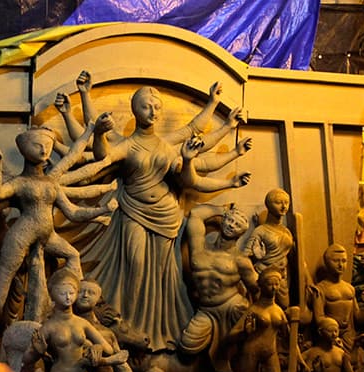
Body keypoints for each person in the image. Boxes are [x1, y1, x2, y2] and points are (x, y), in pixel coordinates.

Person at [82, 79, 251, 350]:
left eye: (157, 107)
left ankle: (154, 330)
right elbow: (104, 155)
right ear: (135, 110)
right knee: (135, 265)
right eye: (146, 107)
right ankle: (129, 326)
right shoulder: (128, 145)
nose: (153, 111)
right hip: (134, 212)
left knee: (162, 273)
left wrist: (217, 110)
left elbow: (196, 161)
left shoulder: (167, 145)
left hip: (167, 216)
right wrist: (94, 118)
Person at [0, 123, 114, 314]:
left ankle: (73, 309)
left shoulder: (51, 184)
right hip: (22, 235)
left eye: (48, 144)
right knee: (5, 275)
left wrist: (102, 209)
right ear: (24, 149)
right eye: (37, 144)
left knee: (73, 255)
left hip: (48, 236)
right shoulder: (20, 182)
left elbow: (73, 212)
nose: (44, 149)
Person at [179, 203, 258, 372]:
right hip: (205, 310)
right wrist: (222, 210)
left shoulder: (241, 260)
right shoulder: (199, 248)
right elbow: (195, 214)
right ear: (222, 222)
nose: (231, 225)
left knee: (237, 349)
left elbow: (257, 288)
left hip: (231, 306)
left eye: (237, 225)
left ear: (242, 232)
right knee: (188, 346)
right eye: (229, 220)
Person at [232, 268, 289, 372]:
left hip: (271, 351)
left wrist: (300, 360)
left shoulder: (279, 311)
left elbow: (289, 336)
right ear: (262, 285)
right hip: (251, 350)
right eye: (270, 284)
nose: (274, 288)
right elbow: (231, 335)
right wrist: (245, 332)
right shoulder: (254, 310)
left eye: (277, 284)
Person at [245, 188, 296, 309]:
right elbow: (245, 256)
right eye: (278, 202)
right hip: (264, 276)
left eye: (286, 203)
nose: (284, 206)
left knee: (284, 305)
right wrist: (252, 277)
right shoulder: (261, 231)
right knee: (263, 309)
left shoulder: (286, 231)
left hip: (282, 276)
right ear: (268, 205)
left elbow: (291, 254)